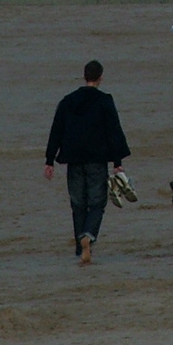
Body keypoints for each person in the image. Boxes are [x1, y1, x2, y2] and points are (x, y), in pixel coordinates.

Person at [44, 60, 131, 265]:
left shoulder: (68, 101)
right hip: (96, 159)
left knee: (78, 204)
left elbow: (56, 131)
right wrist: (117, 162)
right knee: (97, 203)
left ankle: (79, 248)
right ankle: (89, 236)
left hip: (73, 159)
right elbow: (113, 131)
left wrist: (49, 160)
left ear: (84, 76)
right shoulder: (104, 101)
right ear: (100, 77)